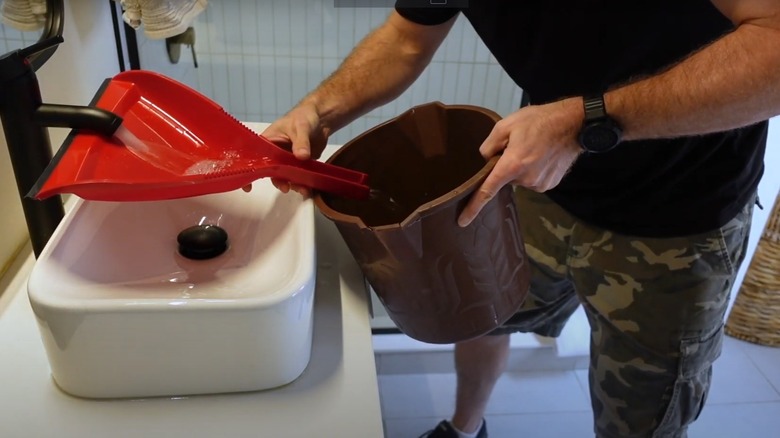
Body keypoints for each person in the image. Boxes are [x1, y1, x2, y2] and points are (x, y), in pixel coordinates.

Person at [262, 1, 778, 437]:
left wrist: (585, 122)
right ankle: (466, 428)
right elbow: (405, 40)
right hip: (539, 184)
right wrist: (317, 111)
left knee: (645, 406)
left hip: (679, 220)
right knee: (483, 311)